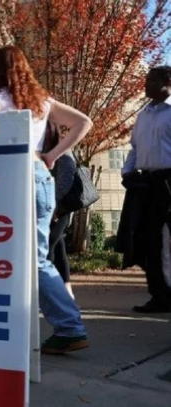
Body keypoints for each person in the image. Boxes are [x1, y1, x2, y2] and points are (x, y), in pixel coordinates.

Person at [0, 45, 92, 354]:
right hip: (41, 178)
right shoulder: (41, 102)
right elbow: (84, 122)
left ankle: (69, 326)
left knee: (28, 258)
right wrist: (50, 155)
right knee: (27, 256)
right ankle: (26, 321)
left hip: (13, 179)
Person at [119, 66, 171, 313]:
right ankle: (159, 296)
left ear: (167, 81)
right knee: (148, 239)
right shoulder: (144, 114)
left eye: (150, 80)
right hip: (147, 183)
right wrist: (127, 172)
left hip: (169, 179)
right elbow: (134, 148)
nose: (145, 85)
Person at [44, 123, 77, 299]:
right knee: (58, 248)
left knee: (47, 248)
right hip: (50, 207)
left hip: (59, 210)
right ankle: (67, 292)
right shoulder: (39, 150)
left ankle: (48, 293)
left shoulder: (61, 150)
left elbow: (66, 178)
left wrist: (52, 204)